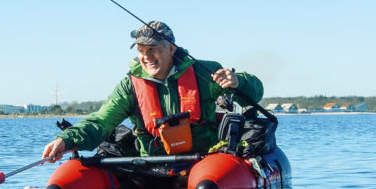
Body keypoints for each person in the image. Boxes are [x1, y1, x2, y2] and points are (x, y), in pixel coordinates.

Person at [42, 21, 264, 162]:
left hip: (203, 161)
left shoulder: (205, 72)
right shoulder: (129, 85)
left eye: (152, 49)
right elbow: (101, 121)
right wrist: (66, 140)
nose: (146, 56)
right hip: (151, 166)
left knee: (205, 188)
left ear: (170, 48)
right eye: (141, 50)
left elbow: (255, 94)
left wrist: (238, 82)